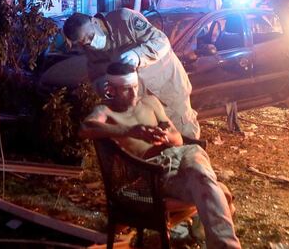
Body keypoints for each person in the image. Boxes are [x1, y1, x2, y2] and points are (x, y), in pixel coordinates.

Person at [79, 62, 241, 249]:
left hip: (183, 154)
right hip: (154, 173)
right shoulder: (105, 111)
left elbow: (178, 139)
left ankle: (213, 239)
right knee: (216, 189)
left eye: (135, 87)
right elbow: (85, 128)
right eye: (126, 89)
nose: (133, 94)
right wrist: (132, 131)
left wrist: (165, 136)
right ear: (111, 89)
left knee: (200, 168)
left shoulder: (150, 102)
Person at [63, 8, 200, 138]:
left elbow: (161, 41)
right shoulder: (90, 49)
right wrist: (103, 84)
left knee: (183, 132)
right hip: (141, 100)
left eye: (90, 36)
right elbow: (95, 76)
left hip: (167, 87)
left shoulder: (124, 20)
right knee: (157, 139)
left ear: (94, 21)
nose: (90, 43)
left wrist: (138, 55)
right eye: (84, 42)